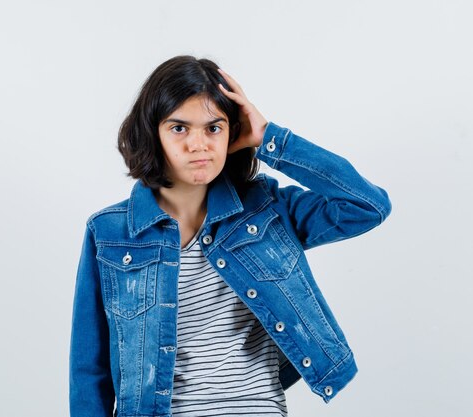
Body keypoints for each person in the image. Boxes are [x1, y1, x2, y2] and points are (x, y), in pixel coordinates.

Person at [69, 55, 391, 417]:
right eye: (179, 128)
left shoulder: (266, 209)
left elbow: (367, 206)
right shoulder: (110, 233)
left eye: (213, 128)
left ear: (232, 132)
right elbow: (89, 368)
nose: (198, 144)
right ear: (152, 133)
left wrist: (270, 138)